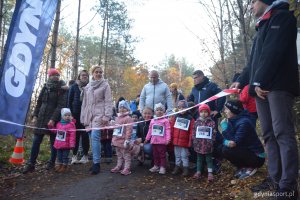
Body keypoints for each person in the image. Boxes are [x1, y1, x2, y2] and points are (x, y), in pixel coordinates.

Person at [230, 0, 299, 198]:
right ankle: (275, 179)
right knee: (268, 134)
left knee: (282, 133)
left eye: (252, 1)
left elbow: (273, 52)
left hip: (277, 87)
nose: (249, 6)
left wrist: (259, 81)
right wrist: (242, 81)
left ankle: (289, 185)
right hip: (260, 88)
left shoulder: (282, 18)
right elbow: (254, 61)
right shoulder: (262, 24)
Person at [23, 68, 68, 174]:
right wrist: (35, 115)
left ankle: (51, 163)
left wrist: (53, 119)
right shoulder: (45, 87)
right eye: (54, 75)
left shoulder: (62, 89)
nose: (56, 77)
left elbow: (60, 106)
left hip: (54, 120)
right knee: (36, 141)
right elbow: (39, 102)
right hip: (41, 118)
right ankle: (31, 164)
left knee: (54, 142)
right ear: (50, 76)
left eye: (58, 75)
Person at [187, 70, 225, 173]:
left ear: (202, 76)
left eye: (196, 78)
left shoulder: (211, 86)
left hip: (210, 118)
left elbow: (222, 95)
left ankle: (216, 162)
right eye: (193, 78)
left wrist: (218, 110)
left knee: (213, 139)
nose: (194, 80)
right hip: (198, 120)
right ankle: (200, 164)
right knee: (199, 139)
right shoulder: (194, 89)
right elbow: (190, 101)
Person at [220, 100, 265, 179]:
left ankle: (251, 167)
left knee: (226, 149)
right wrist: (225, 141)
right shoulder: (233, 119)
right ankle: (243, 167)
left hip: (257, 157)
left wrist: (224, 129)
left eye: (227, 109)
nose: (225, 111)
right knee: (222, 148)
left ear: (234, 110)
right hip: (246, 150)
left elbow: (234, 142)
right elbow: (230, 140)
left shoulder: (244, 122)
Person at [81, 65, 113, 175]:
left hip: (99, 115)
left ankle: (96, 164)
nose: (99, 74)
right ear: (93, 73)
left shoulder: (105, 85)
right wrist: (83, 117)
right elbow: (84, 104)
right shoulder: (88, 87)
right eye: (96, 72)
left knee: (95, 137)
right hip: (89, 116)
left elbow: (109, 102)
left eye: (100, 72)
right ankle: (95, 160)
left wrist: (107, 116)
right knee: (92, 138)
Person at [67, 70, 90, 164]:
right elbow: (69, 101)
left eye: (86, 75)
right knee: (75, 136)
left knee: (85, 136)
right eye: (82, 75)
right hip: (75, 115)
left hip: (86, 115)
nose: (84, 76)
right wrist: (70, 114)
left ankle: (85, 156)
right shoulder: (73, 87)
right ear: (79, 76)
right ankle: (74, 156)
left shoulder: (90, 87)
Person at [145, 103, 171, 175]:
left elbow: (168, 130)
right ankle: (156, 165)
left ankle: (163, 166)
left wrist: (168, 139)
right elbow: (150, 130)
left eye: (161, 110)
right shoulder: (153, 120)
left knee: (162, 155)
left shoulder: (166, 121)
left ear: (164, 111)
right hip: (153, 141)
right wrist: (147, 138)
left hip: (162, 142)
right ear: (155, 111)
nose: (159, 111)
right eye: (157, 110)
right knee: (155, 154)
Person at [192, 104, 216, 182]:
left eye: (205, 112)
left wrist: (212, 141)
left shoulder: (211, 122)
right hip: (198, 144)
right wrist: (194, 140)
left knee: (209, 159)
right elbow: (194, 132)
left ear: (208, 113)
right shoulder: (196, 122)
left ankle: (210, 172)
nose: (203, 113)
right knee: (199, 159)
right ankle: (198, 171)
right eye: (202, 112)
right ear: (199, 113)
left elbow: (214, 133)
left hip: (208, 144)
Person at [170, 100, 194, 177]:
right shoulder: (175, 117)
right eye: (179, 107)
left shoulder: (190, 118)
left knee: (184, 156)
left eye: (183, 107)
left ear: (187, 108)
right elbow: (172, 128)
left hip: (185, 141)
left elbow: (192, 131)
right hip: (176, 140)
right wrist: (171, 138)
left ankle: (185, 168)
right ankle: (177, 167)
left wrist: (190, 140)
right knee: (177, 155)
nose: (181, 109)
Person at [48, 108, 76, 173]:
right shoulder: (58, 124)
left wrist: (72, 144)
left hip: (66, 145)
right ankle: (60, 165)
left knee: (65, 156)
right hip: (59, 144)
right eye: (65, 115)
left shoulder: (71, 125)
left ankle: (65, 166)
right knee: (59, 156)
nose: (67, 116)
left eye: (69, 115)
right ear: (62, 116)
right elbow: (56, 131)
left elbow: (73, 135)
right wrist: (50, 127)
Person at [111, 100, 133, 175]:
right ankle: (119, 166)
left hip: (124, 141)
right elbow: (115, 129)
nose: (122, 109)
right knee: (119, 155)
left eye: (124, 107)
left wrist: (127, 140)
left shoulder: (128, 118)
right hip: (117, 140)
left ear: (127, 109)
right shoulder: (117, 118)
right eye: (120, 107)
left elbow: (129, 130)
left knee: (126, 155)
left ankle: (127, 168)